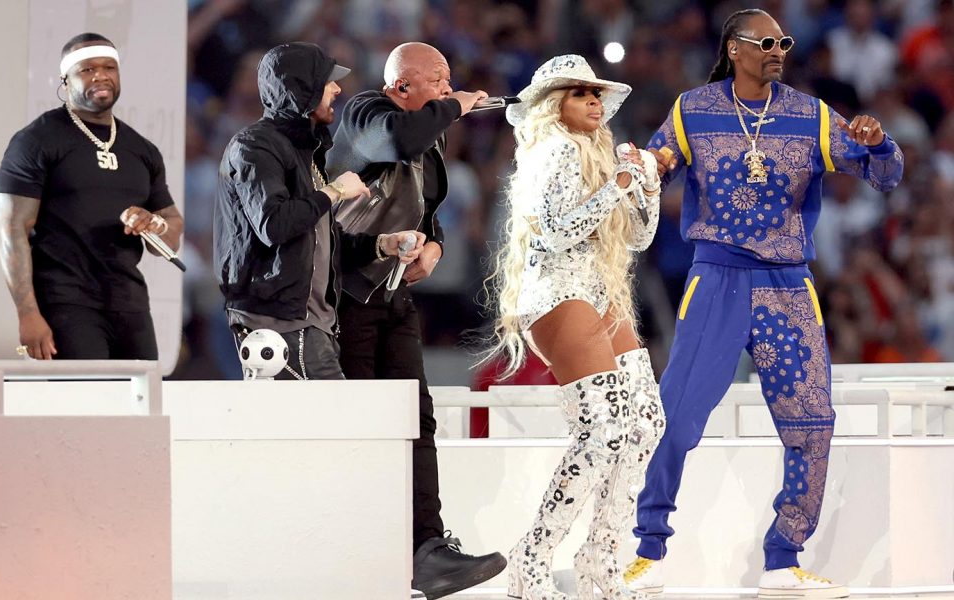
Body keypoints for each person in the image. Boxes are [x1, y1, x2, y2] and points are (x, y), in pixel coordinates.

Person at [624, 9, 904, 599]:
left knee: (811, 421)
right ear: (734, 49)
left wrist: (879, 146)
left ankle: (784, 557)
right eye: (767, 42)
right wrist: (651, 167)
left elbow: (885, 176)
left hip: (787, 284)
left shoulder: (809, 115)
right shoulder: (692, 108)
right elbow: (656, 167)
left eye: (785, 41)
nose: (779, 50)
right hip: (717, 277)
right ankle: (648, 549)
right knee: (676, 414)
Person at [325, 42, 506, 599]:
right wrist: (454, 107)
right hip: (344, 298)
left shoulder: (429, 138)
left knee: (416, 421)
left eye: (450, 81)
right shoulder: (364, 113)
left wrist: (436, 247)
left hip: (393, 296)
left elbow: (427, 211)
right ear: (402, 86)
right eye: (439, 80)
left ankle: (428, 551)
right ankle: (357, 550)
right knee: (362, 426)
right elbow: (394, 140)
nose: (451, 90)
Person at [486, 54, 666, 600]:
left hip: (596, 290)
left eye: (596, 94)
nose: (593, 102)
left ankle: (600, 564)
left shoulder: (596, 153)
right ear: (553, 105)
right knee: (606, 428)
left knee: (646, 423)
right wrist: (618, 183)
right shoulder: (552, 151)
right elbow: (556, 235)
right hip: (556, 292)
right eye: (579, 93)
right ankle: (531, 560)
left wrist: (646, 190)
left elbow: (637, 239)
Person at [213, 42, 424, 380]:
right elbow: (275, 224)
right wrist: (335, 191)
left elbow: (319, 236)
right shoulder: (255, 146)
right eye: (328, 82)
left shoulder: (304, 152)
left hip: (311, 321)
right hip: (278, 322)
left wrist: (379, 244)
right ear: (301, 88)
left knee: (312, 429)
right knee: (337, 428)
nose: (337, 89)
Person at [0, 33, 184, 360]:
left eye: (109, 67)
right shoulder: (36, 140)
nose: (100, 75)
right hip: (66, 302)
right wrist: (28, 314)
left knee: (143, 406)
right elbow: (11, 231)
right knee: (87, 405)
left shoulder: (142, 150)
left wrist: (153, 224)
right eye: (86, 69)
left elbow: (172, 233)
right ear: (65, 81)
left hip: (130, 303)